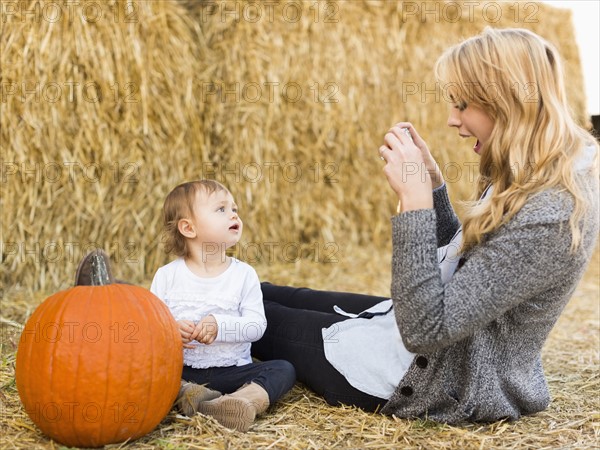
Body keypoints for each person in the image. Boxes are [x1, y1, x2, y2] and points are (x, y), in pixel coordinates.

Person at [251, 27, 599, 423]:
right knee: (265, 293)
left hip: (433, 378)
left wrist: (414, 207)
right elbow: (467, 269)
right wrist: (434, 189)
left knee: (257, 318)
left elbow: (426, 329)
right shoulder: (537, 169)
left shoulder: (548, 212)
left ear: (506, 102)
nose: (452, 119)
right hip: (434, 346)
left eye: (463, 104)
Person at [149, 179, 296, 431]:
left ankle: (240, 402)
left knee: (284, 369)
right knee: (148, 374)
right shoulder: (167, 276)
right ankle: (189, 393)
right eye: (221, 209)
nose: (234, 214)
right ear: (188, 227)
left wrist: (220, 326)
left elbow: (256, 326)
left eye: (235, 209)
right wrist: (171, 330)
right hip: (181, 371)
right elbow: (150, 328)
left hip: (232, 373)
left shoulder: (244, 274)